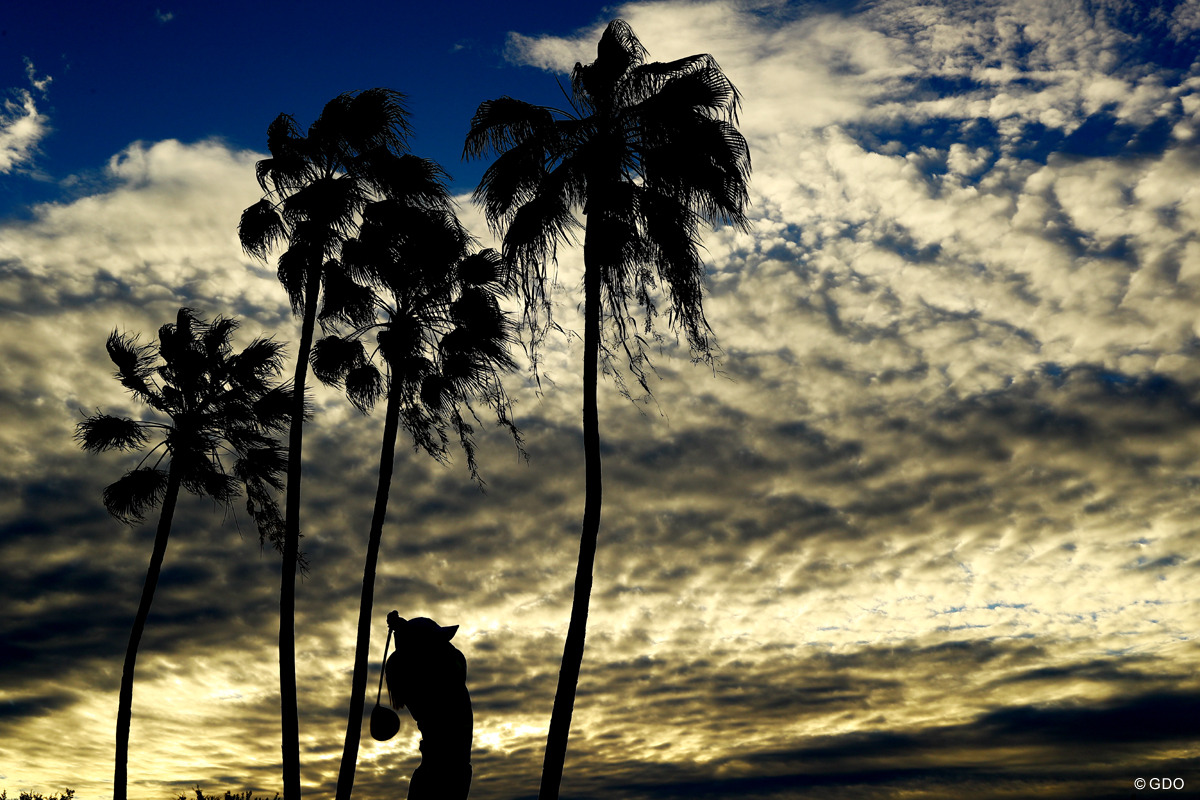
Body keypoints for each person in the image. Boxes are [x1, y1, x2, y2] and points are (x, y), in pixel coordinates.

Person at [382, 611, 473, 800]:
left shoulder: (423, 677)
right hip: (444, 772)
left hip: (441, 768)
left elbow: (417, 660)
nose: (446, 646)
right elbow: (439, 659)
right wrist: (403, 632)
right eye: (437, 642)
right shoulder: (439, 680)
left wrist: (402, 630)